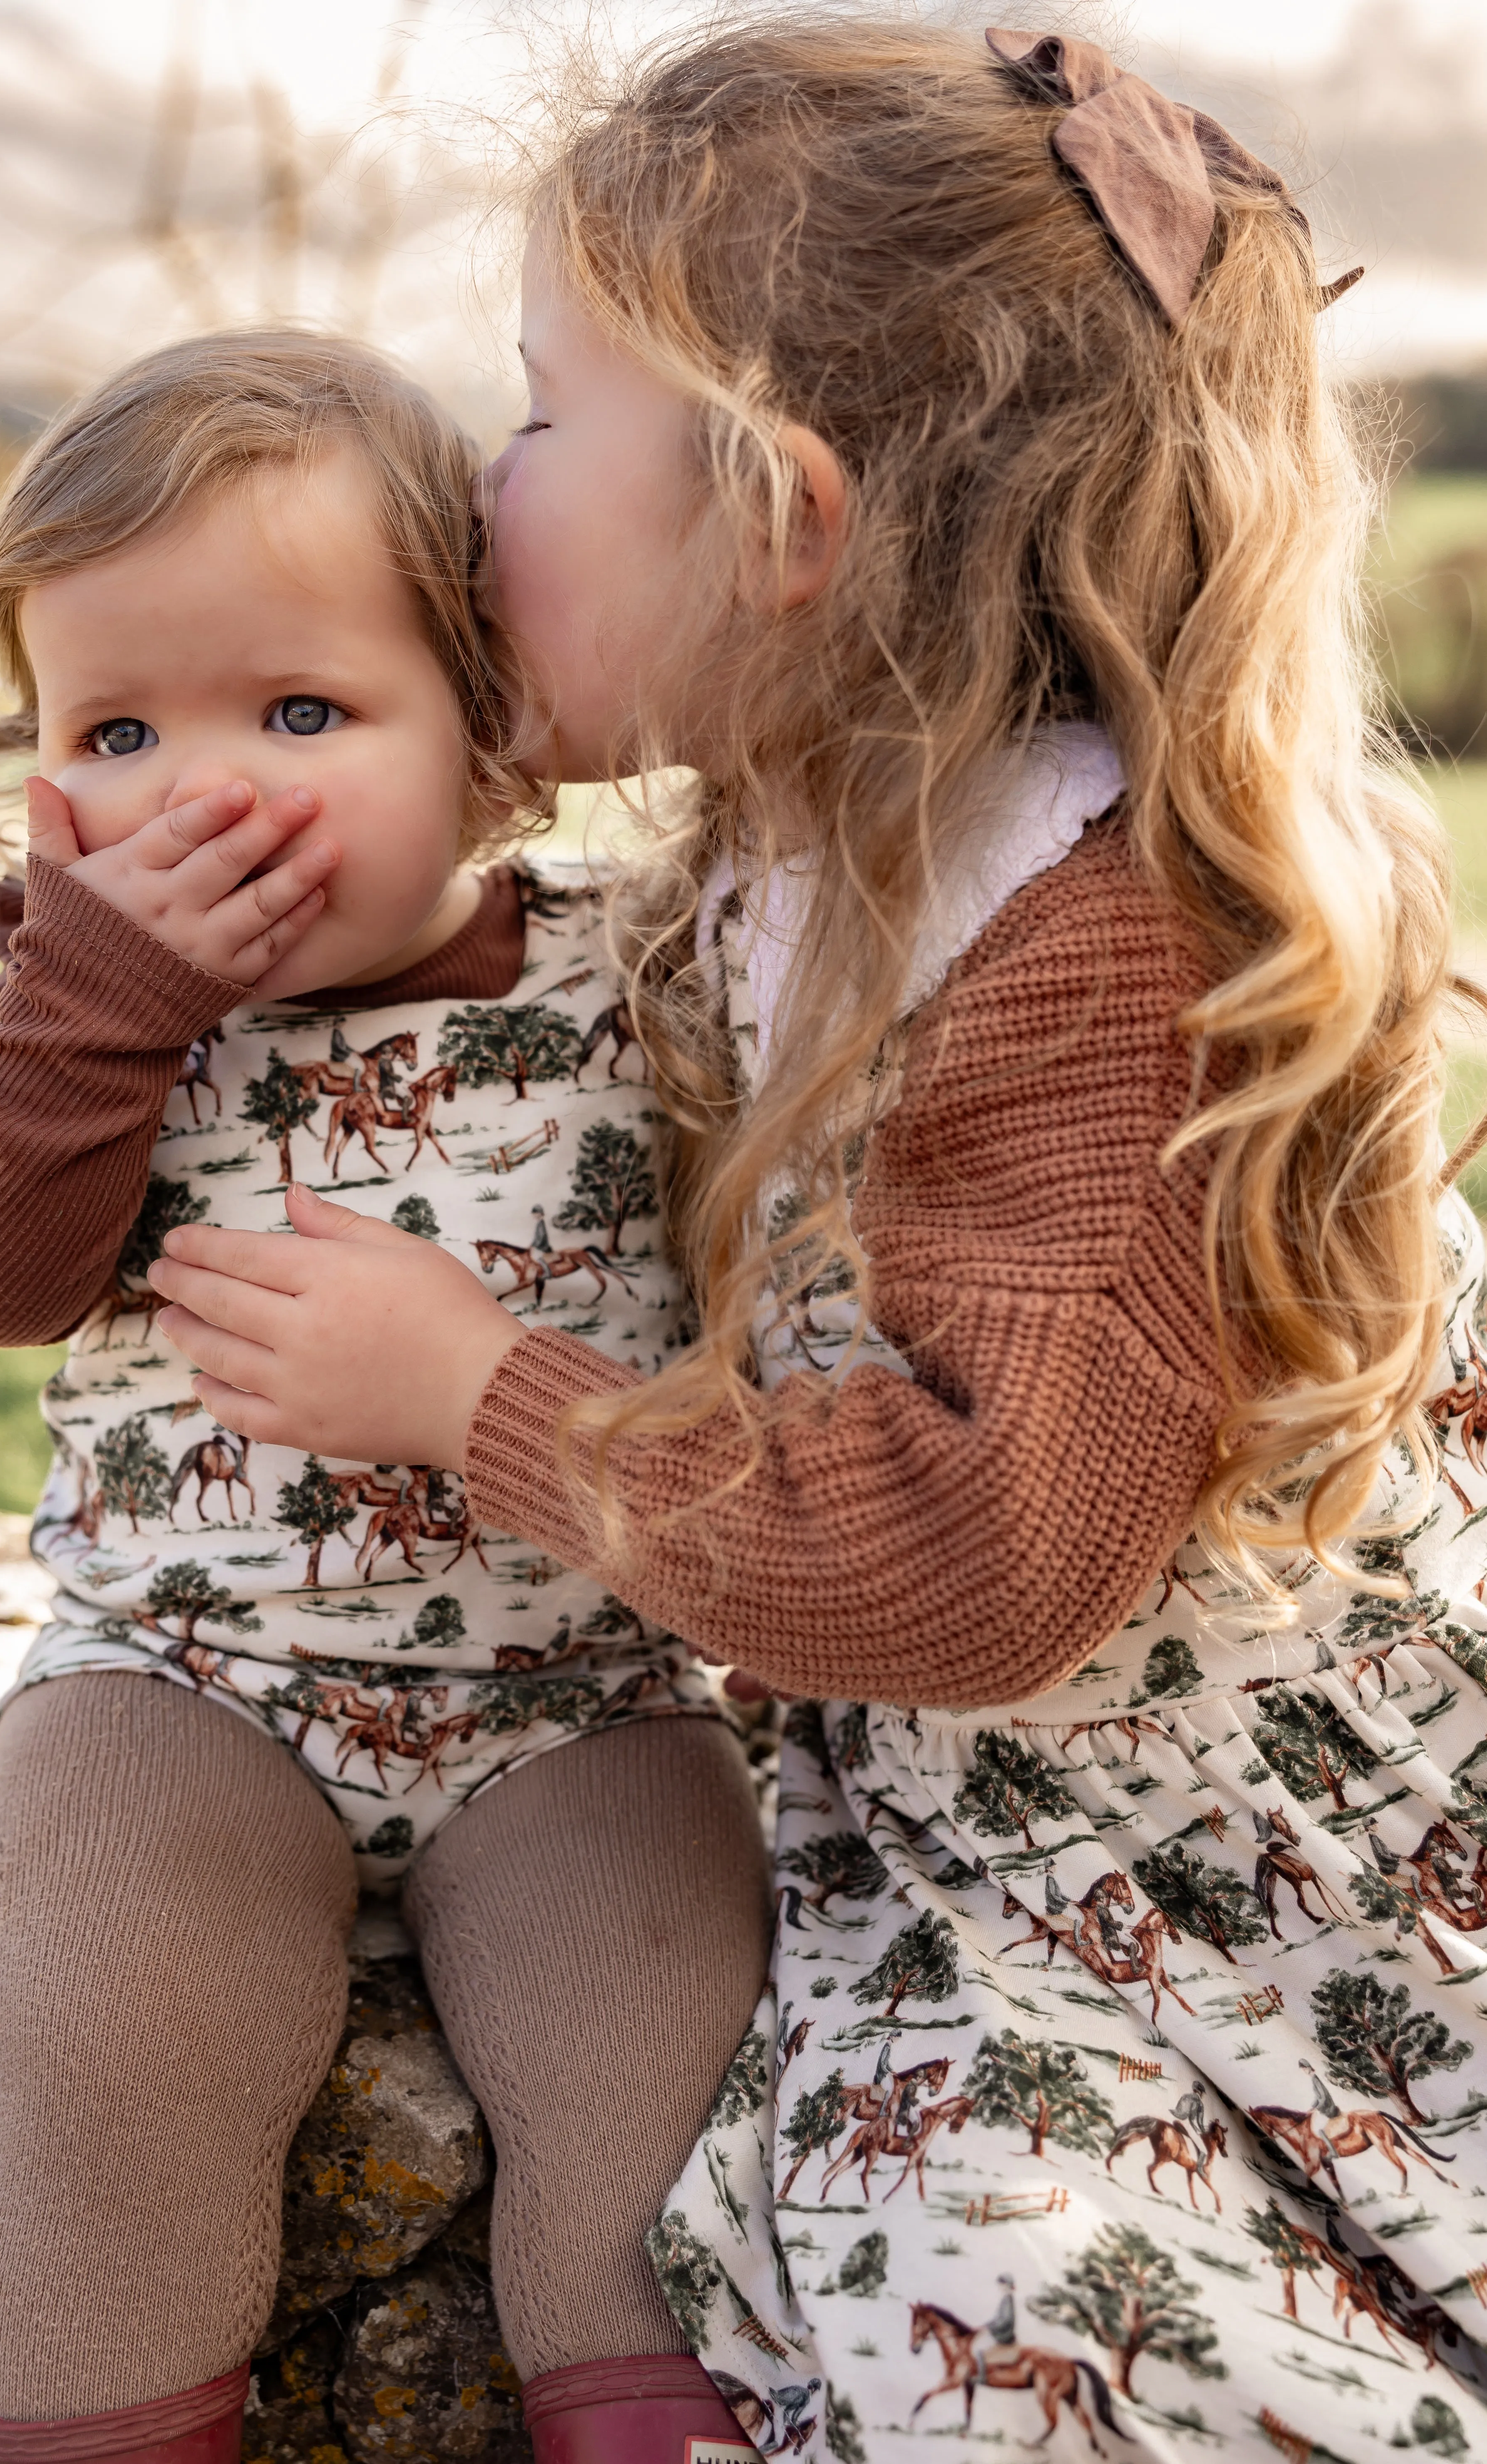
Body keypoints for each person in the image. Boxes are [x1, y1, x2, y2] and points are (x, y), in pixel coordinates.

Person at [148, 22, 1487, 2459]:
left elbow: (985, 1562)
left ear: (780, 523)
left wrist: (478, 1398)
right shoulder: (804, 840)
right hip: (1010, 1800)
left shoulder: (1090, 972)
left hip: (1261, 1877)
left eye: (543, 418)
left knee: (1004, 2272)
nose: (477, 484)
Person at [0, 330, 772, 2464]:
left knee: (654, 2089)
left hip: (576, 1701)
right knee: (119, 2045)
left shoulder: (633, 977)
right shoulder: (85, 999)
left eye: (299, 711)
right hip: (183, 1683)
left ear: (491, 742)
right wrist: (91, 998)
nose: (202, 789)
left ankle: (642, 2415)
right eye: (117, 726)